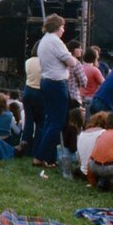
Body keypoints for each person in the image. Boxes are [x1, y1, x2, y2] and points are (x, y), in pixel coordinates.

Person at [32, 14, 80, 168]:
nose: (64, 30)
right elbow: (71, 62)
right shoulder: (56, 42)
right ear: (57, 27)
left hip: (46, 82)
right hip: (57, 83)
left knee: (50, 121)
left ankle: (48, 157)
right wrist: (72, 59)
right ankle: (40, 157)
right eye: (62, 27)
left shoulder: (43, 41)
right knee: (57, 122)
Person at [19, 42, 43, 158]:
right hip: (39, 92)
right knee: (40, 124)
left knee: (29, 122)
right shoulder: (44, 62)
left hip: (28, 91)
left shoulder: (28, 62)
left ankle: (24, 148)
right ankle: (36, 151)